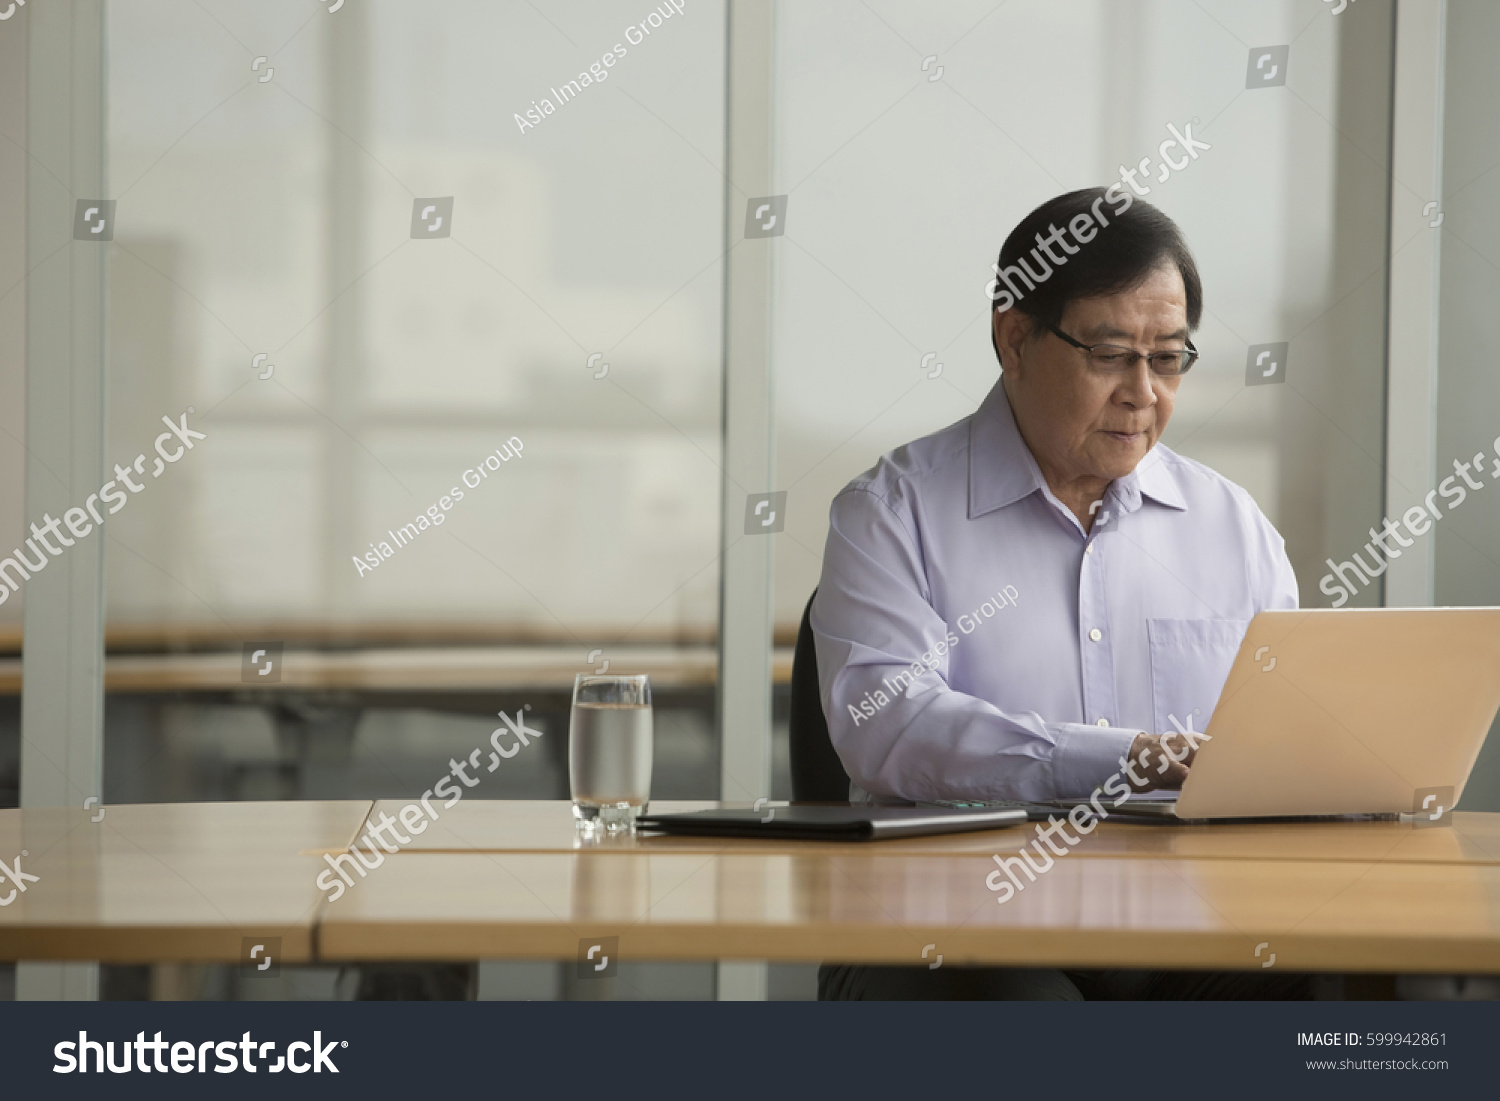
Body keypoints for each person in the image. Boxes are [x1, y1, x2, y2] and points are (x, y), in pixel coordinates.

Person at [811, 187, 1306, 1000]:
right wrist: (1128, 759)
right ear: (1015, 338)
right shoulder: (893, 511)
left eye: (1169, 357)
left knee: (1335, 995)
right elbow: (886, 726)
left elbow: (1288, 734)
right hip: (951, 918)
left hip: (1184, 919)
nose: (1143, 392)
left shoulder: (1232, 526)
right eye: (1110, 354)